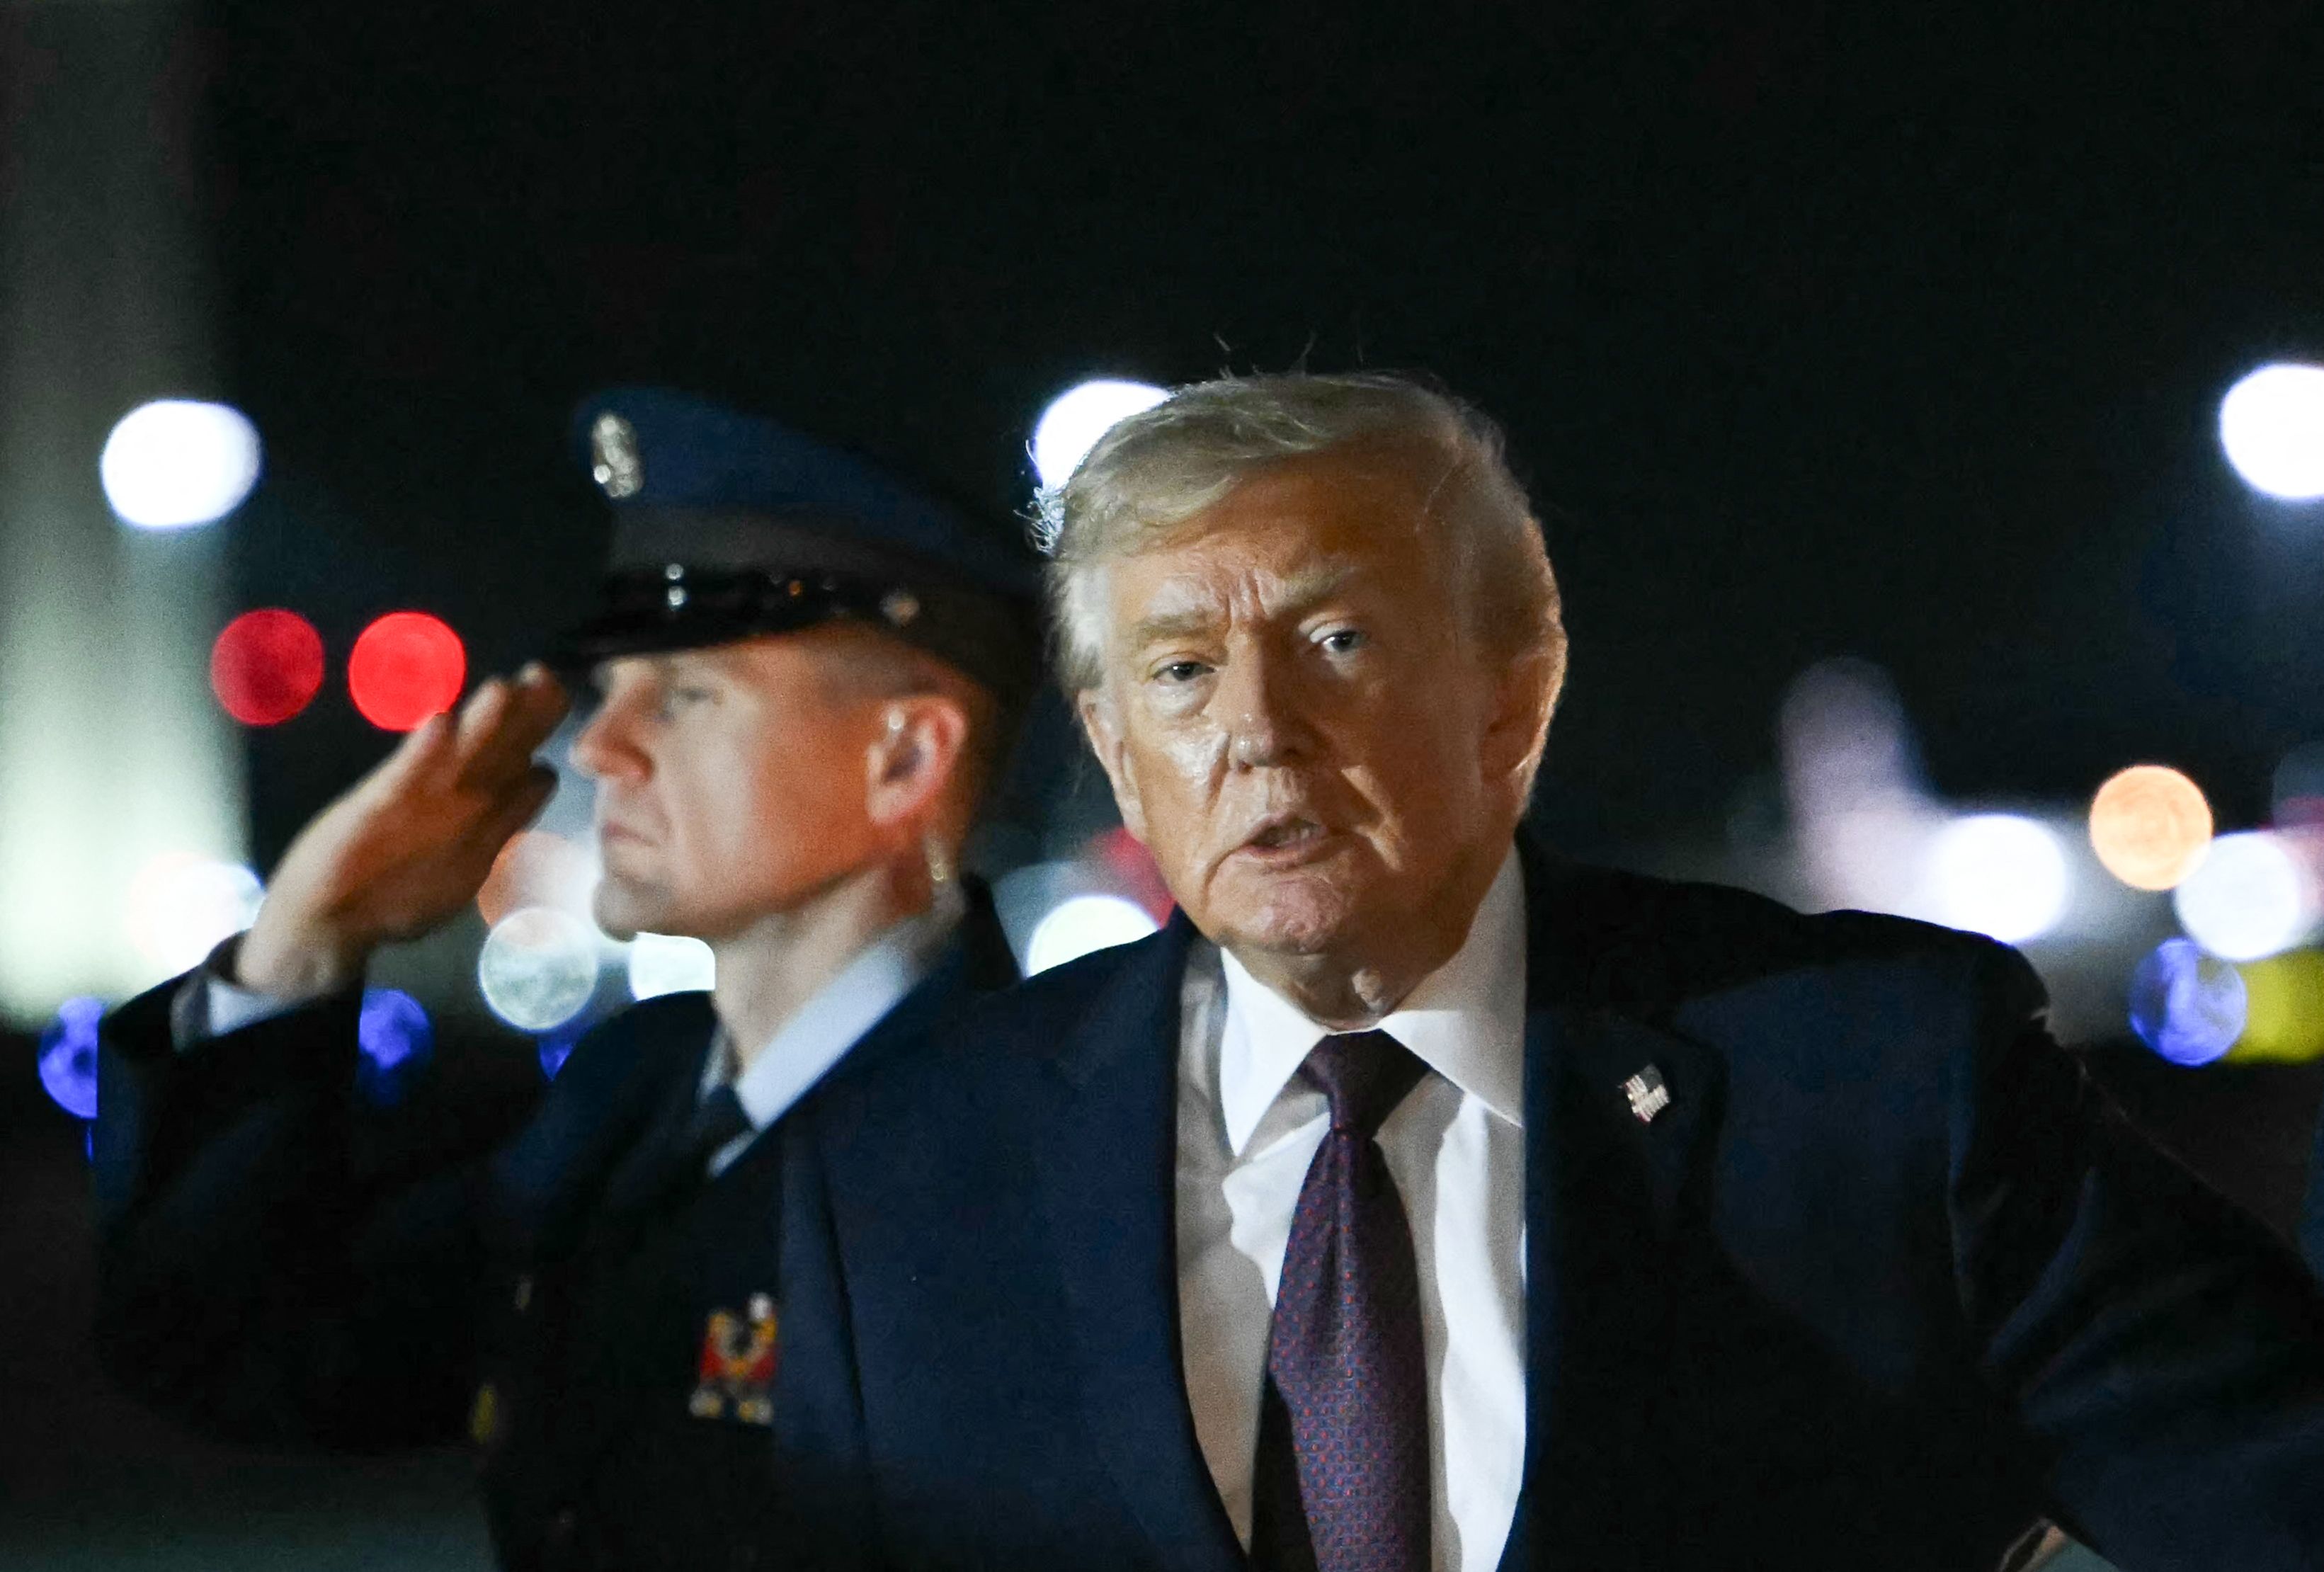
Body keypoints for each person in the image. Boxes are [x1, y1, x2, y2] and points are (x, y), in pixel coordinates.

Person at [792, 372, 2324, 1571]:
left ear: (1514, 698)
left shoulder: (1882, 1088)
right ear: (1118, 751)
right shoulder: (908, 1175)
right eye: (1182, 670)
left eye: (1335, 640)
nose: (1258, 729)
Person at [90, 387, 1037, 1571]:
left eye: (686, 698)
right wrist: (304, 944)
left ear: (901, 757)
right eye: (614, 690)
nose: (597, 748)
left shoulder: (1036, 1136)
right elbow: (232, 1351)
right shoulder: (630, 1095)